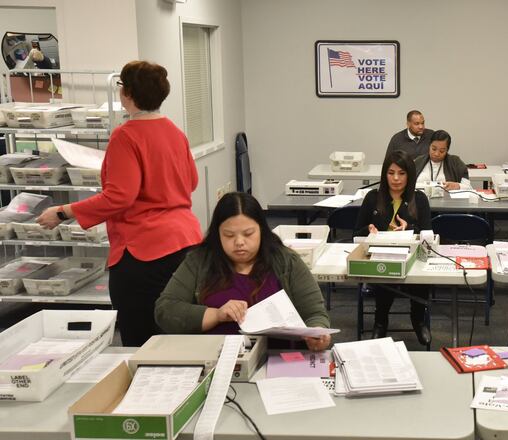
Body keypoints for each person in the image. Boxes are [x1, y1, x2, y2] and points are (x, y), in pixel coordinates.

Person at [36, 60, 203, 347]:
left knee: (141, 336)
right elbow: (191, 182)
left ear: (126, 94)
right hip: (184, 242)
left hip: (144, 251)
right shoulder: (175, 132)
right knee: (179, 328)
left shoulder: (126, 136)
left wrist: (63, 212)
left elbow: (119, 196)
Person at [155, 192, 332, 351]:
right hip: (214, 359)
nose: (239, 242)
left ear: (262, 230)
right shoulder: (199, 261)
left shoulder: (286, 261)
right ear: (218, 234)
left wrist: (317, 334)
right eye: (229, 235)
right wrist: (216, 315)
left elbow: (315, 313)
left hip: (277, 360)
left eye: (248, 234)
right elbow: (165, 310)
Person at [354, 150, 432, 345]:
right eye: (391, 173)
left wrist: (410, 228)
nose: (396, 178)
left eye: (402, 173)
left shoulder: (419, 199)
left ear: (410, 175)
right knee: (385, 273)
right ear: (384, 175)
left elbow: (428, 235)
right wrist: (368, 230)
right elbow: (356, 233)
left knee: (418, 275)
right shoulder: (373, 197)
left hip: (411, 257)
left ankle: (418, 319)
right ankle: (380, 322)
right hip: (380, 258)